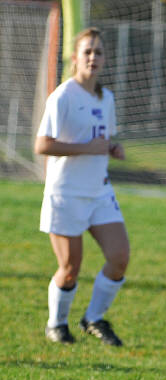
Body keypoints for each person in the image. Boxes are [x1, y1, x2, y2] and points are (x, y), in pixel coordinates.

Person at [35, 27, 129, 346]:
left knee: (119, 257)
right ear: (74, 57)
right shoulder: (63, 96)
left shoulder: (106, 98)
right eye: (87, 51)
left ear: (105, 59)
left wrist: (112, 148)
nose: (93, 57)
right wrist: (86, 148)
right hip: (66, 193)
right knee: (70, 268)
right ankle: (56, 324)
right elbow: (42, 145)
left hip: (99, 192)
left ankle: (93, 318)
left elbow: (100, 139)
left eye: (98, 52)